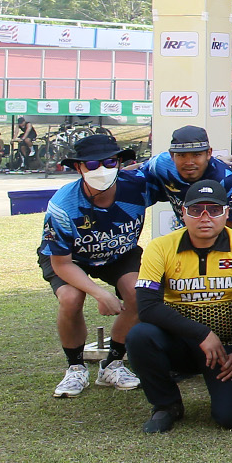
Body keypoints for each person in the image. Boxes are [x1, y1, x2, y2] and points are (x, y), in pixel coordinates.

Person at [129, 181, 232, 432]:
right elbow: (147, 306)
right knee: (140, 336)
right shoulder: (160, 247)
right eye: (196, 210)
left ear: (227, 213)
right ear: (183, 213)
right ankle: (166, 405)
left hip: (229, 347)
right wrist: (202, 334)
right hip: (181, 342)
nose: (205, 217)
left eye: (214, 210)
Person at [40, 132, 147, 397]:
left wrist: (226, 160)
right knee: (71, 298)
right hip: (72, 258)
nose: (102, 169)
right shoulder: (62, 205)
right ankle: (75, 367)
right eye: (91, 164)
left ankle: (112, 364)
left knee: (138, 293)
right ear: (78, 168)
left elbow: (172, 167)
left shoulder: (139, 185)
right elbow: (62, 263)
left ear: (119, 163)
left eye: (110, 162)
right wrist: (100, 294)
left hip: (119, 252)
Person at [141, 125, 232, 228]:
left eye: (196, 155)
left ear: (208, 153)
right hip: (188, 231)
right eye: (182, 155)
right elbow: (136, 171)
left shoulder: (226, 180)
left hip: (218, 233)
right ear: (172, 155)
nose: (189, 162)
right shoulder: (160, 164)